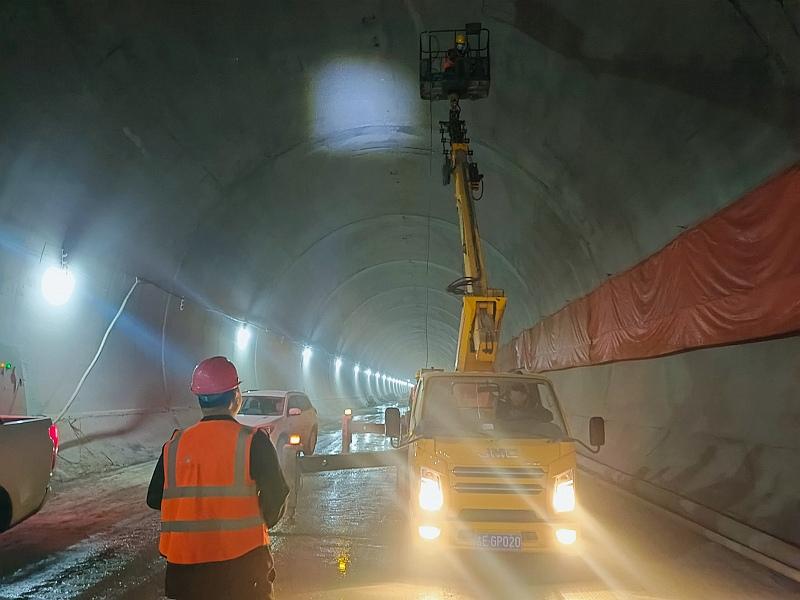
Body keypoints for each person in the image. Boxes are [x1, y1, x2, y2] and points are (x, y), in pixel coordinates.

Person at [147, 356, 289, 600]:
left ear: (200, 399)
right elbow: (276, 496)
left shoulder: (175, 444)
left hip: (185, 574)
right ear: (235, 396)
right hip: (242, 570)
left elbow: (154, 498)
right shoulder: (253, 441)